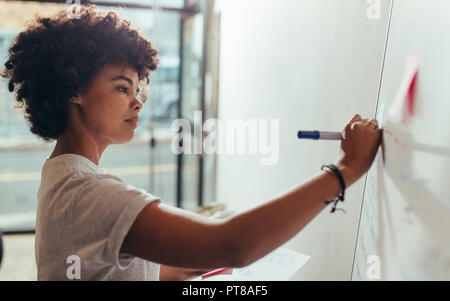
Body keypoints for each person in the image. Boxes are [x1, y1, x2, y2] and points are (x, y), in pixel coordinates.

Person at [1, 5, 381, 281]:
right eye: (121, 87)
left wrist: (166, 272)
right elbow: (234, 245)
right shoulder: (87, 192)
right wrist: (346, 170)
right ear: (74, 89)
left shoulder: (63, 176)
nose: (139, 101)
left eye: (138, 88)